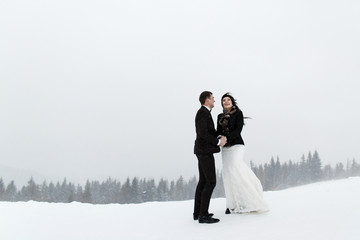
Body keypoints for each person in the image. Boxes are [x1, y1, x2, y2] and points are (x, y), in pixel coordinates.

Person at [217, 93, 269, 214]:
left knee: (236, 168)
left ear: (232, 102)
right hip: (225, 148)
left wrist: (226, 138)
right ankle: (232, 204)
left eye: (228, 99)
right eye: (223, 100)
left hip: (237, 145)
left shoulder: (238, 113)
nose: (226, 101)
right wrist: (220, 138)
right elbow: (218, 131)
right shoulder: (220, 116)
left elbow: (237, 130)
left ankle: (248, 201)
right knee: (227, 174)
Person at [193, 91, 227, 224]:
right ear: (207, 100)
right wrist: (218, 142)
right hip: (204, 151)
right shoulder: (202, 113)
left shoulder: (205, 113)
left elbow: (209, 132)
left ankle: (198, 213)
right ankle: (203, 215)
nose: (214, 100)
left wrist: (218, 136)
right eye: (212, 98)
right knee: (210, 182)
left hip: (202, 151)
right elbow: (203, 134)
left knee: (203, 182)